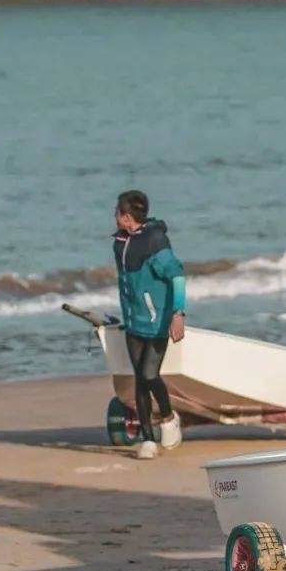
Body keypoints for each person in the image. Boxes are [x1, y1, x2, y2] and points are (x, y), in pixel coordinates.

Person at [113, 190, 186, 459]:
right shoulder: (120, 242)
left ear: (127, 216)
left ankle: (168, 418)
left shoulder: (156, 241)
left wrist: (178, 314)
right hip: (133, 322)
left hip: (157, 323)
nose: (114, 214)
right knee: (139, 381)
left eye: (117, 210)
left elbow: (177, 276)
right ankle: (148, 440)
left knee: (150, 374)